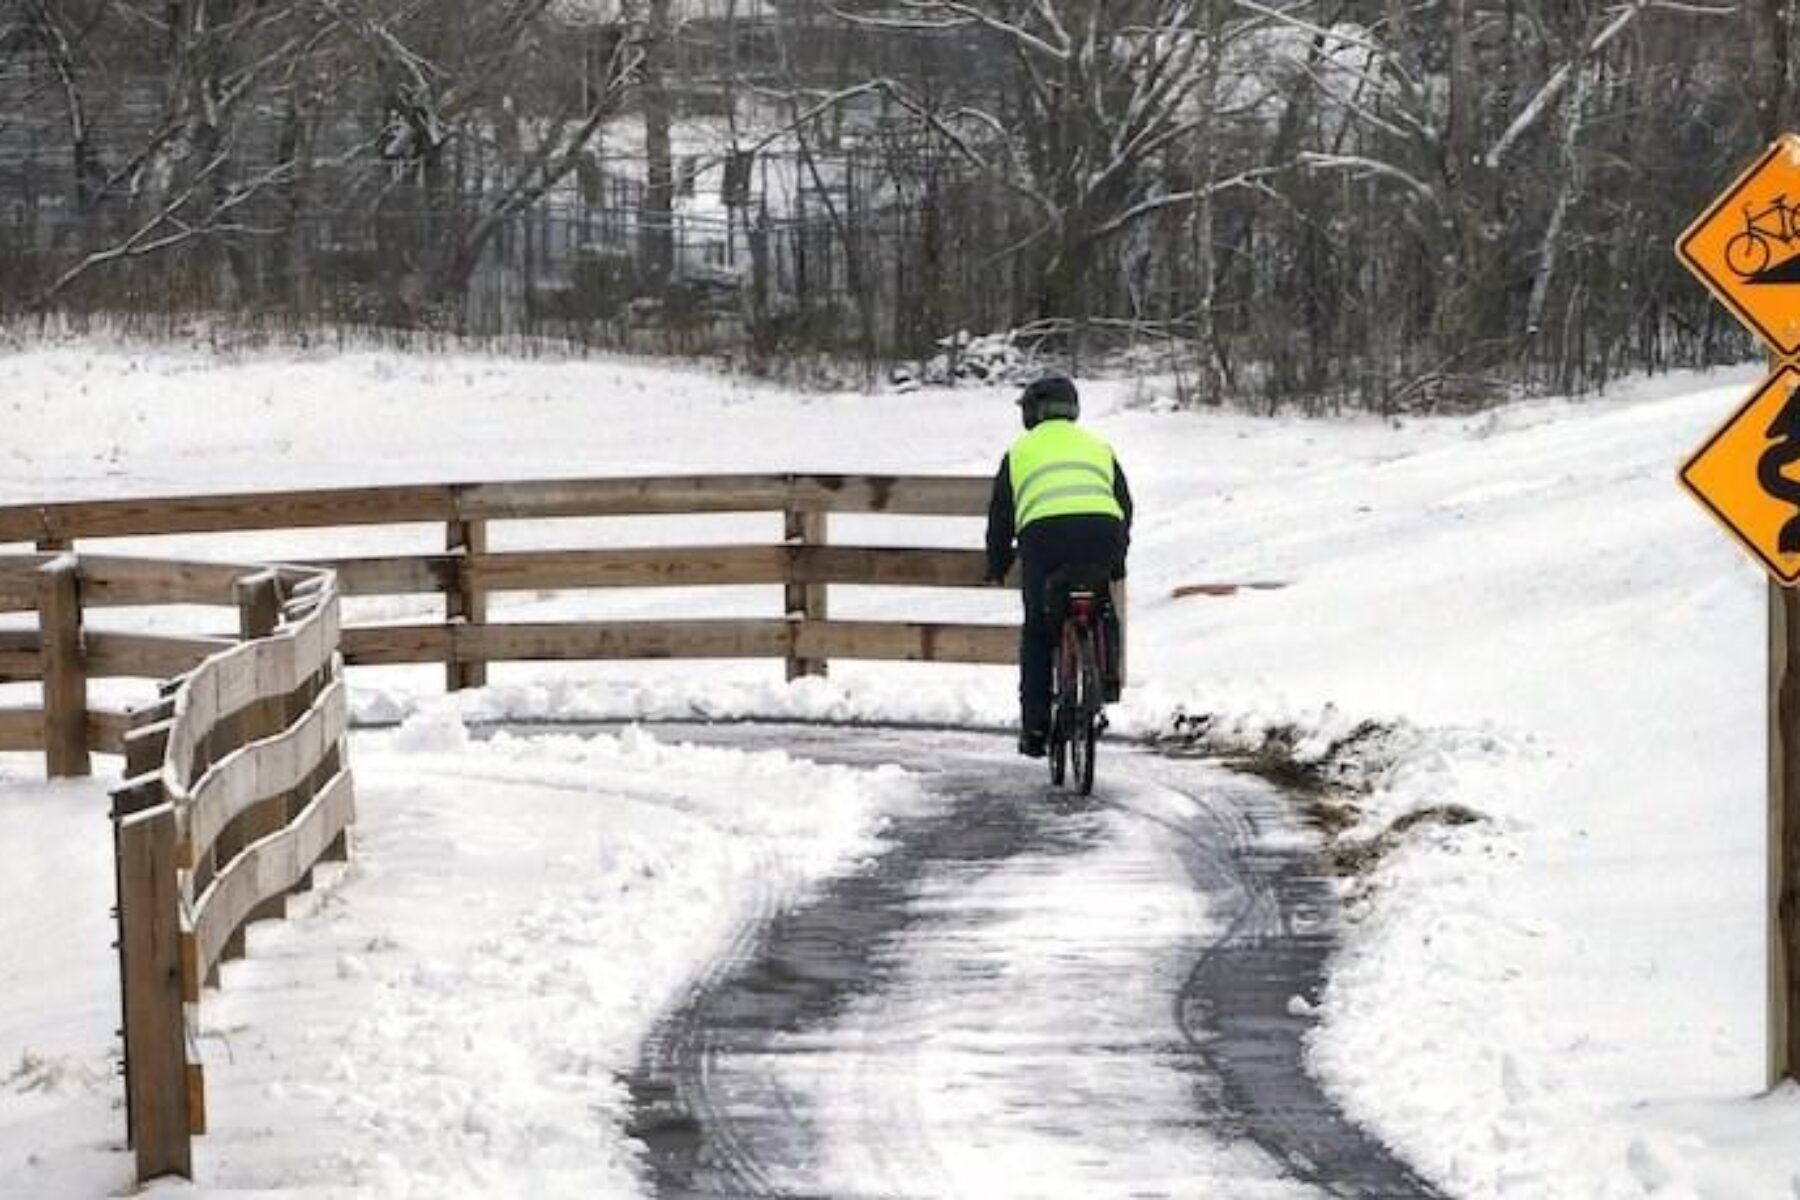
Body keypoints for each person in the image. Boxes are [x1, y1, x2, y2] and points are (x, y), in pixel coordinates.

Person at [984, 374, 1132, 758]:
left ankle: (1035, 728)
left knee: (1038, 631)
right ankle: (1108, 678)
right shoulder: (1098, 447)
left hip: (1044, 539)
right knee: (1102, 607)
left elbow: (1001, 517)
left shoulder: (1019, 453)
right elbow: (1124, 504)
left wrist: (998, 562)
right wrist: (1118, 559)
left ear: (1034, 412)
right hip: (1102, 533)